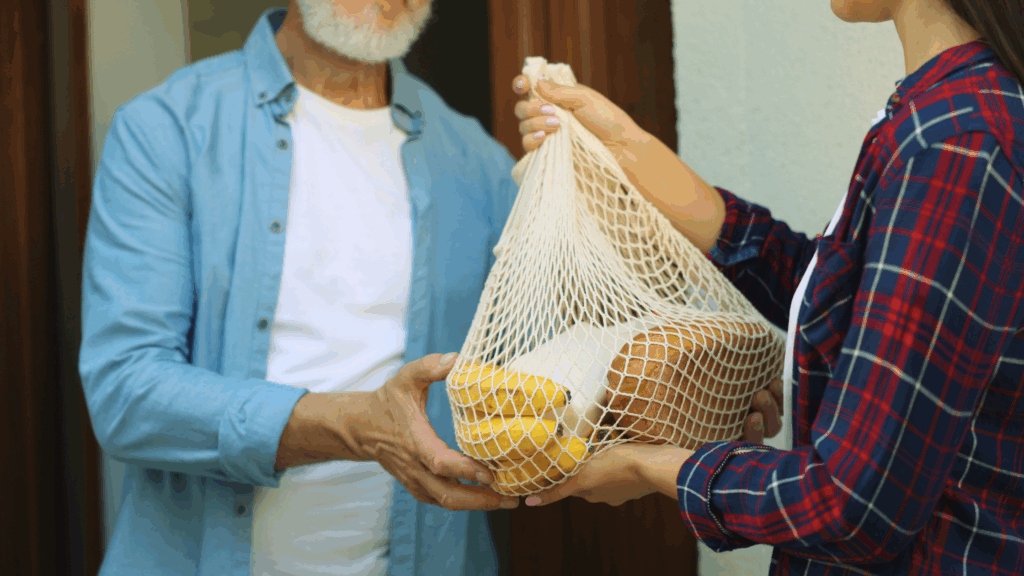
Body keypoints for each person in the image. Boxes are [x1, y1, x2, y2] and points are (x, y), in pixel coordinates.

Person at [79, 1, 785, 574]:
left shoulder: (474, 157)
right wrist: (358, 426)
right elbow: (125, 392)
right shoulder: (167, 131)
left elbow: (564, 365)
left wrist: (694, 395)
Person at [512, 0, 1024, 574]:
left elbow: (853, 504)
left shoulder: (953, 143)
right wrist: (630, 150)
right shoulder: (943, 114)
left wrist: (649, 466)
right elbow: (850, 304)